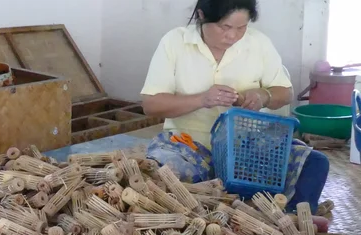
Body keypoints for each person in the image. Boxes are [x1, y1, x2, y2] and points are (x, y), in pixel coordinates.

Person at [141, 0, 329, 213]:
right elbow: (151, 104)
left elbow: (285, 93)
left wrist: (263, 96)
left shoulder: (258, 44)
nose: (232, 36)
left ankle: (292, 220)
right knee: (160, 172)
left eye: (242, 28)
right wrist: (201, 99)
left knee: (314, 163)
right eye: (225, 27)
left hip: (249, 148)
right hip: (188, 147)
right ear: (202, 15)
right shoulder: (175, 42)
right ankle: (216, 209)